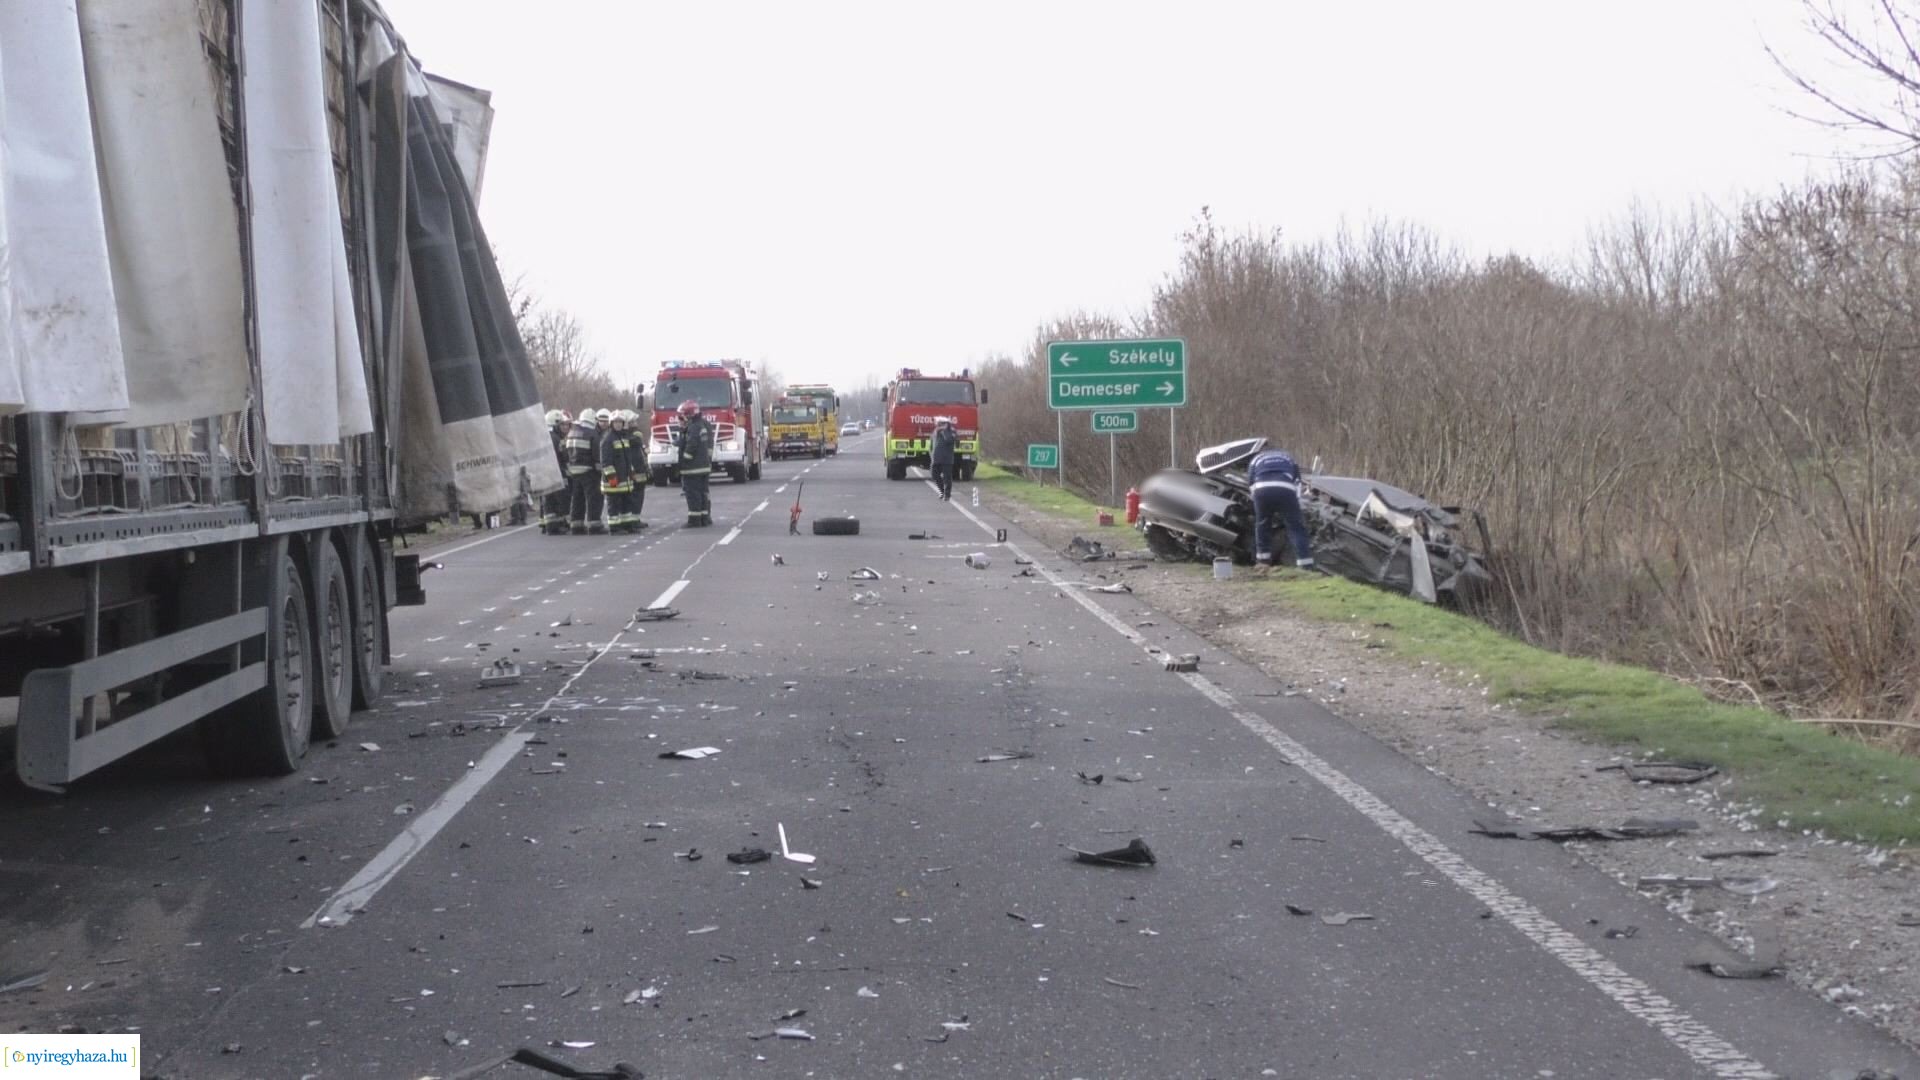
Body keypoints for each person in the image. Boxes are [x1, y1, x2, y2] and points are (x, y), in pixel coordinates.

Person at [1248, 446, 1315, 571]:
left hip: (1262, 490)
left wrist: (1257, 499)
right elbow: (1297, 481)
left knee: (1262, 524)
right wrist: (1295, 501)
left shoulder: (1256, 458)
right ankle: (1305, 564)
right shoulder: (1288, 458)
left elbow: (1251, 481)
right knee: (1296, 527)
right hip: (1285, 489)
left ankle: (1263, 561)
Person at [599, 410, 643, 533]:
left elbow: (627, 458)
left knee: (626, 503)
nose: (618, 424)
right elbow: (606, 462)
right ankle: (614, 527)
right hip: (613, 481)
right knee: (614, 504)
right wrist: (612, 477)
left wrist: (631, 472)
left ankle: (627, 525)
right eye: (616, 422)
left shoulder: (624, 437)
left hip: (625, 480)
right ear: (611, 423)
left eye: (620, 422)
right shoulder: (608, 439)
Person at [563, 405, 603, 534]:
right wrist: (600, 471)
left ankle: (576, 525)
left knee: (577, 498)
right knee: (593, 498)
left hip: (574, 471)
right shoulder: (592, 433)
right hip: (589, 471)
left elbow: (565, 452)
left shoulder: (571, 432)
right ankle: (594, 525)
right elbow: (596, 454)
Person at [676, 399, 714, 527]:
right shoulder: (702, 425)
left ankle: (694, 520)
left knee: (693, 495)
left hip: (692, 469)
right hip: (703, 467)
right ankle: (704, 518)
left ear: (689, 415)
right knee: (703, 494)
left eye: (682, 415)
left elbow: (691, 446)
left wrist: (684, 460)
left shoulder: (693, 428)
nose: (681, 418)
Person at [541, 409, 572, 535]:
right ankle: (559, 524)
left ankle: (550, 525)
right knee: (560, 499)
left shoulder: (543, 437)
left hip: (545, 473)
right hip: (557, 472)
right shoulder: (557, 439)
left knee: (549, 500)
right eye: (561, 424)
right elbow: (564, 457)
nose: (564, 427)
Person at [929, 416, 958, 501]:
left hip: (947, 459)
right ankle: (942, 491)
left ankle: (947, 495)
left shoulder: (952, 431)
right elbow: (932, 444)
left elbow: (949, 440)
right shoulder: (935, 431)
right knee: (934, 475)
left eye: (939, 423)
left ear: (945, 424)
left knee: (947, 477)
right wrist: (931, 454)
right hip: (936, 458)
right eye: (937, 423)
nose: (937, 425)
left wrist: (944, 431)